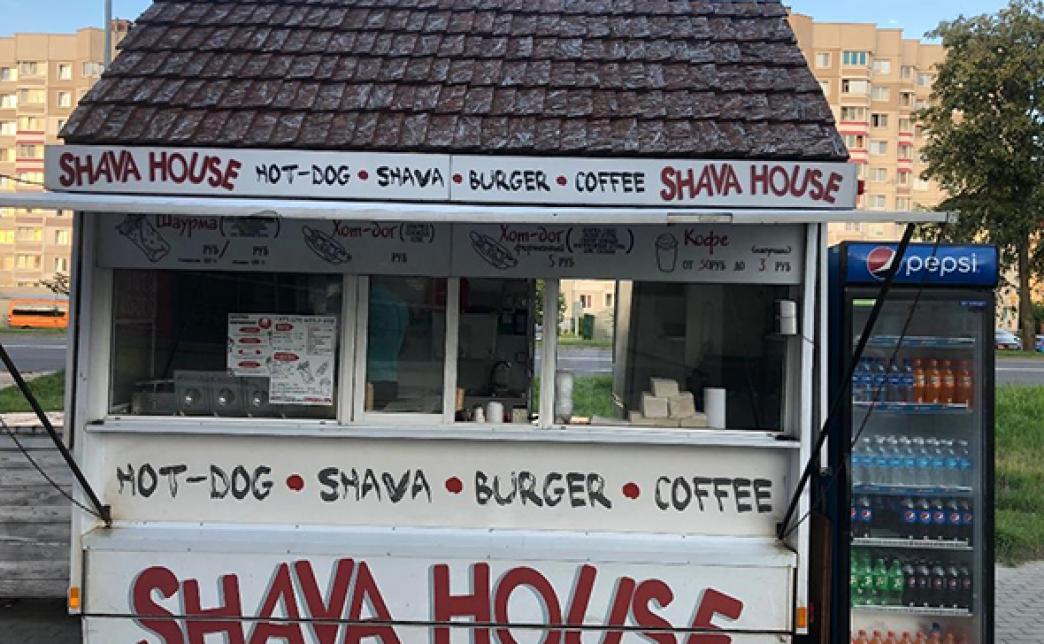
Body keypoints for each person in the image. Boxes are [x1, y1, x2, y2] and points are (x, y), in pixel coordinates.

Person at [367, 278, 409, 409]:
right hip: (391, 378)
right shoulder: (400, 304)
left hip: (369, 377)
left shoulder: (370, 298)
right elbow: (404, 344)